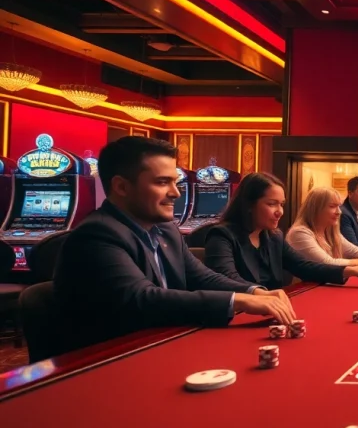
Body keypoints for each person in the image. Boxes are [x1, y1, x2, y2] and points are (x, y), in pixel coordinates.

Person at [53, 137, 297, 353]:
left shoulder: (166, 230)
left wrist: (254, 291)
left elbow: (202, 277)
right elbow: (142, 299)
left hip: (161, 342)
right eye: (162, 182)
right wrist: (238, 301)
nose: (176, 192)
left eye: (175, 182)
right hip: (109, 360)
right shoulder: (96, 235)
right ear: (121, 187)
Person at [205, 172, 358, 289]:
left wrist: (348, 271)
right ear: (249, 205)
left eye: (281, 204)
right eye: (271, 204)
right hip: (238, 315)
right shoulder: (222, 236)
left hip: (272, 310)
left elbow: (304, 267)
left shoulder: (274, 237)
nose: (280, 212)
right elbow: (227, 280)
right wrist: (262, 296)